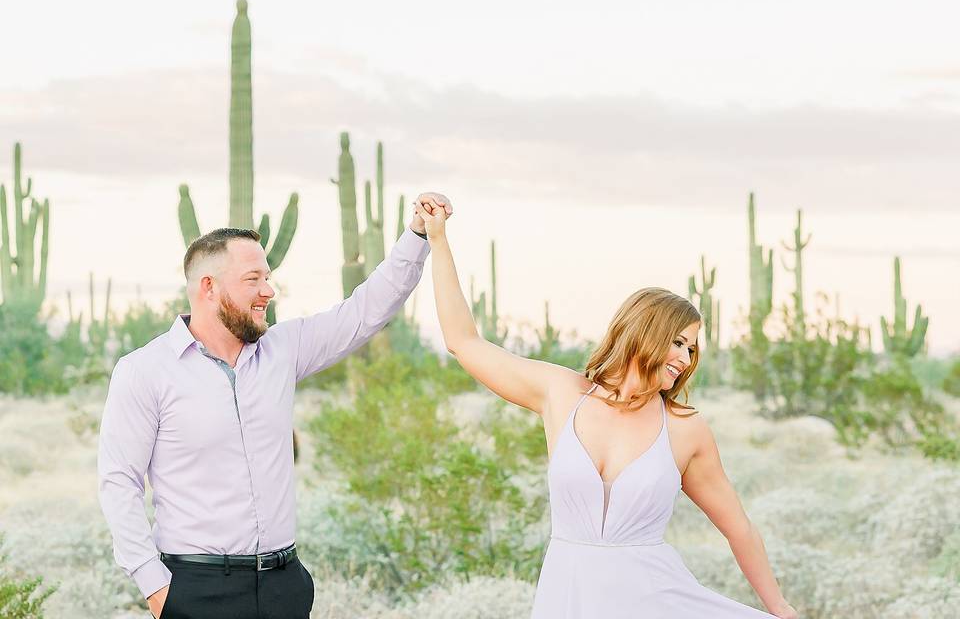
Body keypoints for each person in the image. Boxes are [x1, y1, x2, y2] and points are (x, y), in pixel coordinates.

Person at [415, 198, 799, 619]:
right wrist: (437, 240)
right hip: (567, 599)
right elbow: (463, 342)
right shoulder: (561, 393)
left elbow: (738, 527)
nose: (686, 358)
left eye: (691, 349)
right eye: (678, 342)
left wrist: (779, 607)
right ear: (643, 332)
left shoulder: (684, 429)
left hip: (655, 601)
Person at [97, 193, 453, 619]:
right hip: (197, 591)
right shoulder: (144, 370)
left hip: (285, 587)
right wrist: (157, 590)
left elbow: (366, 310)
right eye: (253, 280)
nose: (269, 290)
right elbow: (119, 483)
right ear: (208, 287)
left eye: (267, 277)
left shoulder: (284, 349)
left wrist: (415, 235)